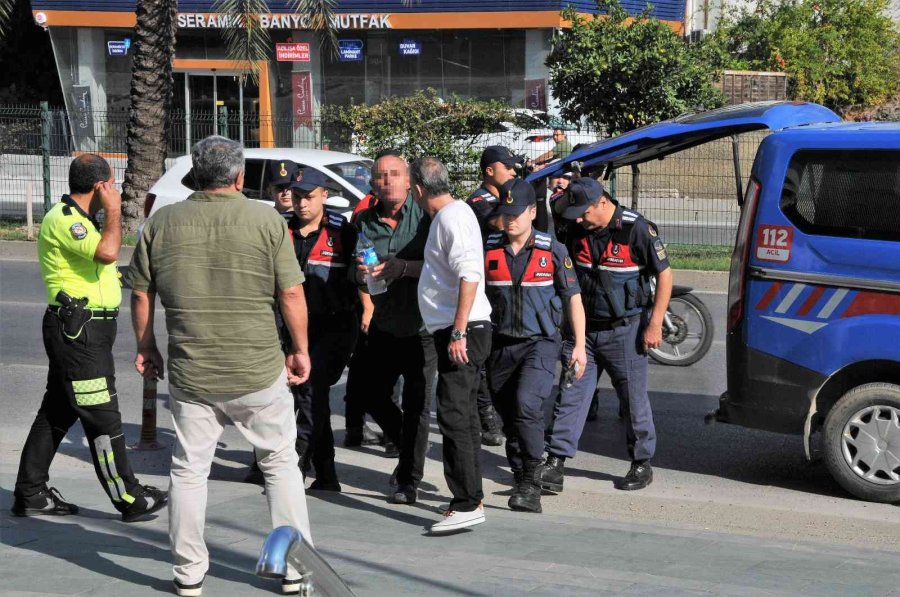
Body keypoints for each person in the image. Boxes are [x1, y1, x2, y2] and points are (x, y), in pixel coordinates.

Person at [126, 136, 313, 597]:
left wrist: (147, 345)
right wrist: (300, 348)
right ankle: (293, 569)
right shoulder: (267, 219)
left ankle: (189, 573)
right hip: (257, 368)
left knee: (189, 469)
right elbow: (290, 292)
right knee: (280, 463)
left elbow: (139, 293)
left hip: (193, 373)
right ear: (239, 176)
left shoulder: (161, 222)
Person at [11, 154, 168, 523]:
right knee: (102, 416)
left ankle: (31, 492)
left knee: (59, 410)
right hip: (79, 333)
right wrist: (115, 211)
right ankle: (129, 497)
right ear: (100, 187)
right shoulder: (66, 220)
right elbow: (108, 252)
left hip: (88, 332)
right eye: (110, 186)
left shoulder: (83, 219)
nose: (113, 192)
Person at [539, 178, 672, 494]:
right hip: (583, 332)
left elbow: (665, 276)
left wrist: (654, 324)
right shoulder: (575, 226)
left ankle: (641, 463)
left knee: (632, 400)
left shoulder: (636, 229)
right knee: (570, 392)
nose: (579, 219)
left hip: (624, 331)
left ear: (601, 202)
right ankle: (555, 462)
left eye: (583, 212)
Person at [483, 179, 587, 514]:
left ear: (531, 212)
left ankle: (531, 480)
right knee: (509, 413)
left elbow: (573, 300)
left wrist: (580, 347)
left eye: (516, 213)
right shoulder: (489, 249)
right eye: (504, 213)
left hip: (540, 343)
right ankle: (520, 472)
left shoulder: (552, 251)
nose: (509, 220)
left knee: (527, 404)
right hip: (500, 345)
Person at [411, 157, 493, 534]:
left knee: (454, 414)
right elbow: (444, 271)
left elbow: (469, 273)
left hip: (462, 331)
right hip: (458, 328)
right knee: (465, 417)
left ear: (417, 189)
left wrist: (458, 330)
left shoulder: (451, 218)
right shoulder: (450, 216)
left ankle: (465, 502)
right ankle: (471, 497)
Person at [354, 153, 437, 506]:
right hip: (384, 322)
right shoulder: (363, 221)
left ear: (408, 181)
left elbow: (442, 266)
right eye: (379, 176)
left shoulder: (427, 218)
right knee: (370, 395)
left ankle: (408, 478)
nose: (386, 181)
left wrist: (404, 267)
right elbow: (353, 269)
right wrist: (359, 277)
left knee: (418, 405)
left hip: (423, 326)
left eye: (394, 174)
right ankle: (409, 446)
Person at [286, 168, 360, 491]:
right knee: (310, 398)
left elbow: (365, 273)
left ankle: (298, 466)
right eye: (297, 196)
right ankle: (327, 474)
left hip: (335, 326)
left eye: (309, 197)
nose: (302, 204)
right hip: (295, 327)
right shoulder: (281, 230)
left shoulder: (343, 232)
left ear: (324, 197)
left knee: (311, 389)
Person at [464, 145, 522, 447]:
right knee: (484, 357)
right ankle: (486, 416)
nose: (513, 172)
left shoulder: (502, 197)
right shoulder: (479, 200)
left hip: (502, 284)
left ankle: (496, 411)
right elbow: (501, 224)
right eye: (508, 167)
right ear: (489, 171)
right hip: (482, 287)